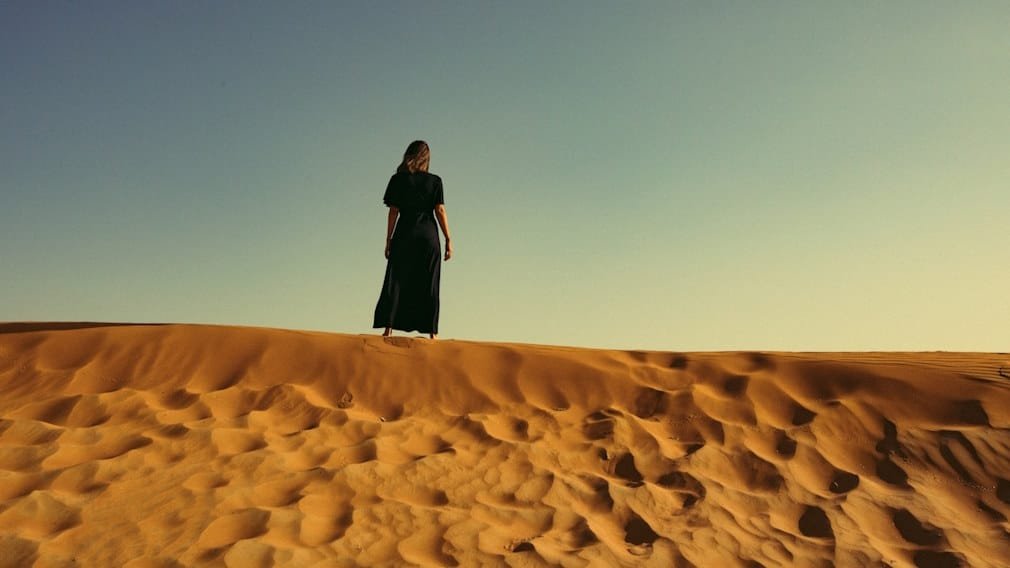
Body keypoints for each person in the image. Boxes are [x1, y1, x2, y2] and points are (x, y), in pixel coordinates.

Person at [372, 140, 453, 339]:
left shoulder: (398, 179)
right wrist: (448, 239)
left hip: (405, 234)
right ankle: (432, 333)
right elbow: (440, 210)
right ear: (427, 158)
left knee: (396, 279)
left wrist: (388, 239)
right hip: (428, 237)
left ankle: (388, 328)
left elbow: (393, 212)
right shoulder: (435, 181)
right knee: (429, 282)